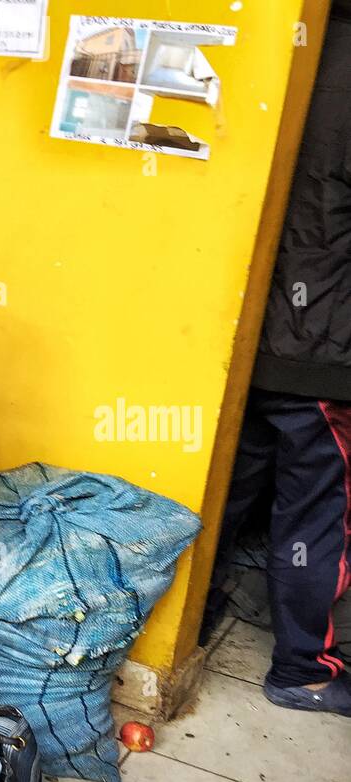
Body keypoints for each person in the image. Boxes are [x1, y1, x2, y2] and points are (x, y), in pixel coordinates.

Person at [206, 4, 351, 718]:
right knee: (318, 504)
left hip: (249, 330)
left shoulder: (292, 47)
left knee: (233, 483)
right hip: (323, 343)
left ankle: (194, 619)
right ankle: (305, 666)